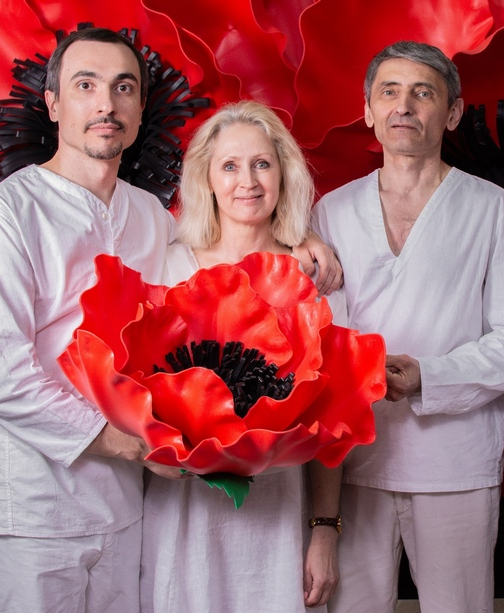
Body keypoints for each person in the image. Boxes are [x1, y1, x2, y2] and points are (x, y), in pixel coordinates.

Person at [0, 29, 341, 613]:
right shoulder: (4, 217)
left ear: (138, 110)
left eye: (123, 88)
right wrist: (135, 445)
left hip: (126, 508)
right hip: (32, 498)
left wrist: (301, 236)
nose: (106, 104)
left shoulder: (149, 217)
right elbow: (5, 380)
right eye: (85, 86)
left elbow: (227, 238)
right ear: (53, 103)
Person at [312, 41, 504, 613]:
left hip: (455, 462)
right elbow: (320, 336)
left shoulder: (495, 211)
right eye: (389, 91)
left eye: (423, 93)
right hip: (354, 462)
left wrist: (428, 377)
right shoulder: (331, 212)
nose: (404, 105)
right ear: (368, 110)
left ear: (452, 112)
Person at [140, 101, 342, 612]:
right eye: (229, 166)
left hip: (278, 510)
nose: (247, 181)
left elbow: (334, 420)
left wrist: (324, 528)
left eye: (262, 164)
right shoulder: (169, 266)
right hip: (182, 510)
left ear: (283, 174)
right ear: (206, 179)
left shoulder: (311, 279)